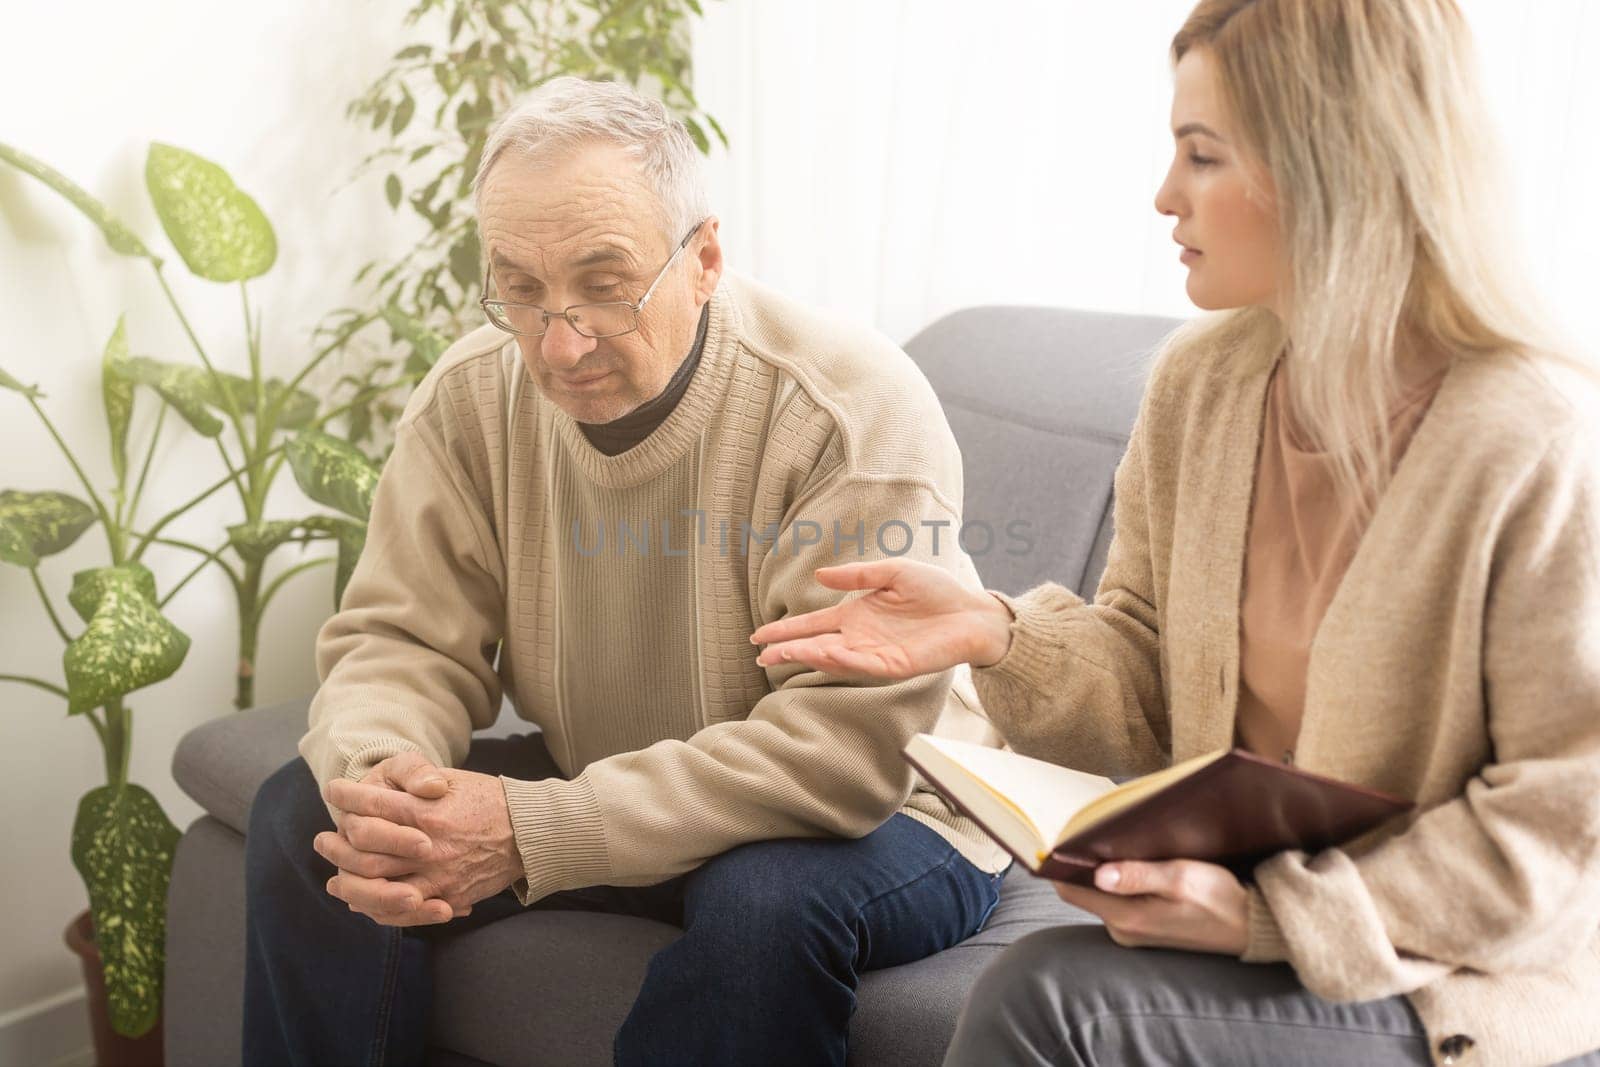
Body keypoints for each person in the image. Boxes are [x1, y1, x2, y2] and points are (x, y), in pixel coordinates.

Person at [751, 1, 1600, 1064]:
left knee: (1050, 997)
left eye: (1201, 156)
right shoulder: (1201, 388)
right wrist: (992, 632)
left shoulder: (1532, 439)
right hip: (1244, 940)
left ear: (1332, 165)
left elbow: (1565, 830)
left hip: (1453, 980)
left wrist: (1273, 916)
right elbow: (1152, 681)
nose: (1163, 196)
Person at [241, 76, 1014, 1067]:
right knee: (310, 816)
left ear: (704, 258)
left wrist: (534, 827)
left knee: (759, 899)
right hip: (623, 776)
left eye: (604, 283)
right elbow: (400, 636)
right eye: (519, 286)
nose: (559, 343)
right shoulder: (473, 399)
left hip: (896, 810)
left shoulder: (848, 411)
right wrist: (383, 779)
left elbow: (841, 751)